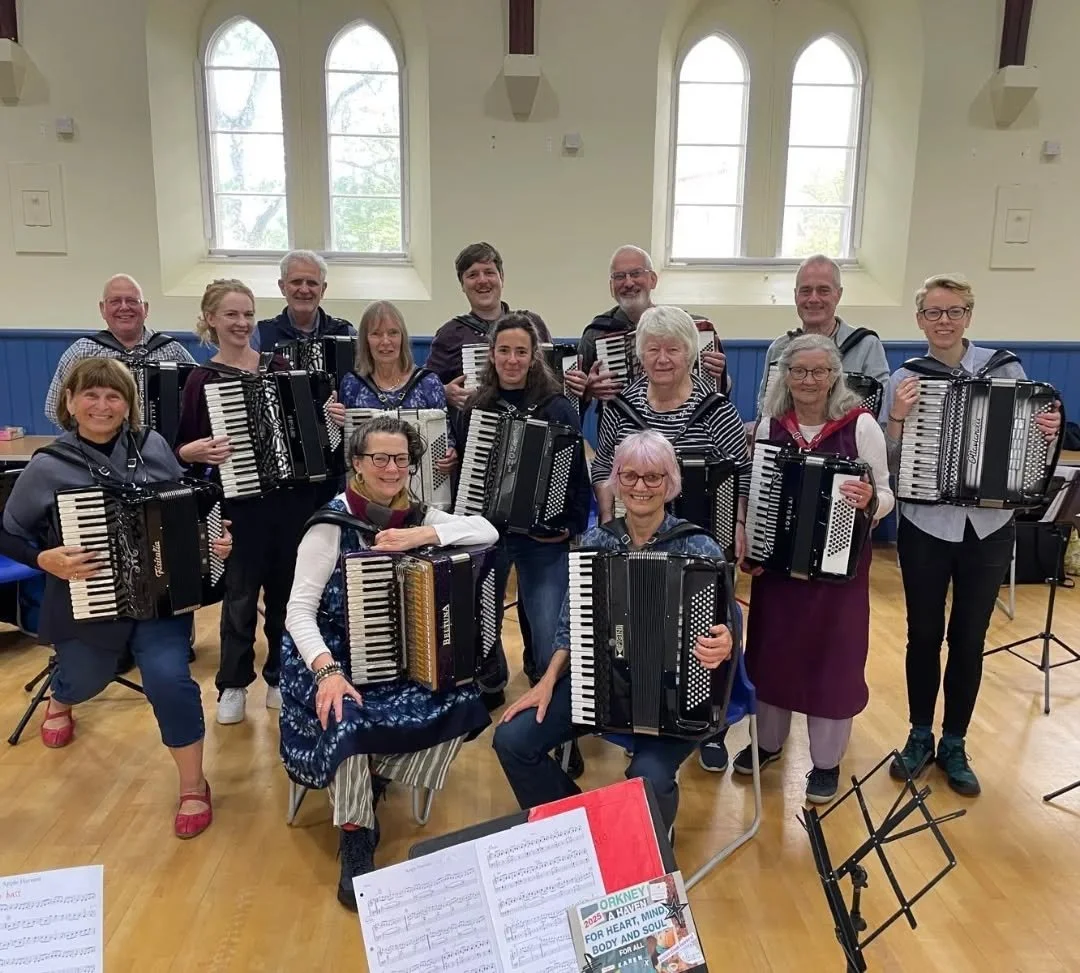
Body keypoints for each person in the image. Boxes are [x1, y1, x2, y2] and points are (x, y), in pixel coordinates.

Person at [0, 358, 233, 839]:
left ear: (128, 405)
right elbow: (9, 532)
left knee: (170, 680)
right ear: (69, 402)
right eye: (91, 395)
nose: (102, 405)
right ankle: (62, 698)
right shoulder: (48, 466)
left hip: (159, 602)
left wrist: (210, 540)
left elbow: (181, 512)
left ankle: (193, 785)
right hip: (87, 597)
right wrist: (44, 559)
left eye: (113, 396)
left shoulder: (152, 448)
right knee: (86, 679)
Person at [278, 415, 498, 910]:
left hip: (400, 658)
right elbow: (297, 612)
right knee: (346, 719)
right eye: (379, 458)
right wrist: (327, 672)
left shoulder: (419, 513)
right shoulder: (331, 524)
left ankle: (368, 774)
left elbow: (487, 531)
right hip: (329, 655)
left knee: (467, 700)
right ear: (357, 463)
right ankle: (357, 836)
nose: (391, 468)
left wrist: (421, 537)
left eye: (401, 458)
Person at [492, 430, 734, 832]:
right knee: (513, 740)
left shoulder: (699, 548)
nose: (641, 487)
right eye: (630, 476)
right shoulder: (596, 542)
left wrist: (724, 642)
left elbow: (726, 630)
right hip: (600, 686)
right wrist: (547, 680)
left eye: (653, 477)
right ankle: (576, 828)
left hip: (674, 701)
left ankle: (649, 842)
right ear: (617, 480)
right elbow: (570, 624)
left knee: (649, 779)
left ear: (670, 483)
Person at [885, 274, 1061, 796]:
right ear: (919, 319)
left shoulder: (1004, 367)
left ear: (969, 315)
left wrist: (1046, 430)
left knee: (970, 637)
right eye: (934, 312)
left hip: (989, 524)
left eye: (954, 311)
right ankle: (919, 733)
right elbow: (889, 462)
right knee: (923, 634)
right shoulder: (906, 376)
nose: (944, 321)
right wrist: (895, 418)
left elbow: (1030, 445)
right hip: (925, 523)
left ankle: (955, 741)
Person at [174, 279, 347, 726]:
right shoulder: (202, 379)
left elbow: (320, 442)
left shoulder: (278, 364)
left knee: (289, 594)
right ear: (211, 319)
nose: (242, 323)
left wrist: (330, 419)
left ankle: (278, 675)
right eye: (231, 314)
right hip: (240, 505)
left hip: (293, 499)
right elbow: (182, 450)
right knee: (240, 597)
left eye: (248, 314)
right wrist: (192, 452)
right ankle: (232, 683)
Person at [734, 334, 893, 804]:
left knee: (833, 662)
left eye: (818, 372)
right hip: (778, 570)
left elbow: (887, 493)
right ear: (784, 376)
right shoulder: (768, 425)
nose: (808, 380)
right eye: (798, 371)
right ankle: (767, 744)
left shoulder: (860, 426)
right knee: (771, 653)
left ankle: (826, 762)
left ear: (833, 376)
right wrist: (747, 530)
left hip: (839, 573)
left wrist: (870, 501)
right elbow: (752, 489)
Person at [458, 311, 592, 707]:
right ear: (492, 355)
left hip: (541, 540)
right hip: (490, 536)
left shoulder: (557, 407)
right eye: (504, 351)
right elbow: (468, 472)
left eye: (521, 351)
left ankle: (552, 704)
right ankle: (491, 680)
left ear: (534, 356)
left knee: (551, 626)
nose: (512, 360)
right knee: (481, 616)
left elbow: (576, 479)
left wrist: (567, 527)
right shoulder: (477, 407)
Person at [565, 245, 729, 408]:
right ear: (611, 287)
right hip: (619, 427)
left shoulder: (688, 328)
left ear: (653, 280)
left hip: (683, 425)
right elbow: (573, 403)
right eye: (619, 276)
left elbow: (719, 393)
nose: (628, 283)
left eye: (636, 274)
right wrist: (587, 392)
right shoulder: (597, 332)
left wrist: (720, 376)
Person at [44, 274, 195, 428]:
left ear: (146, 308)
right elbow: (53, 409)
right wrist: (89, 436)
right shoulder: (81, 352)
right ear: (103, 309)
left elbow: (199, 403)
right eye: (115, 301)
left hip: (162, 448)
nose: (124, 307)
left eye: (132, 301)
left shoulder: (173, 350)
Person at [754, 254, 890, 417]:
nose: (813, 299)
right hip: (789, 442)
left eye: (823, 290)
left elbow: (882, 411)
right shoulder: (779, 349)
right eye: (805, 291)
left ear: (838, 295)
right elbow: (766, 410)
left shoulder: (866, 346)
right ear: (795, 295)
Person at [426, 242, 551, 410]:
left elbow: (554, 381)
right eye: (472, 275)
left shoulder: (533, 324)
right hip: (477, 430)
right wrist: (444, 392)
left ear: (502, 278)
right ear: (462, 285)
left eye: (489, 272)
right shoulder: (450, 334)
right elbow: (425, 388)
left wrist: (579, 385)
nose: (482, 281)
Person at [338, 299, 458, 470]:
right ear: (365, 340)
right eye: (376, 334)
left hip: (422, 491)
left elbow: (447, 439)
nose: (385, 341)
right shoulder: (352, 384)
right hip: (368, 490)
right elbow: (346, 447)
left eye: (393, 333)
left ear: (402, 338)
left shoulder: (428, 382)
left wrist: (450, 454)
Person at [254, 250, 356, 352]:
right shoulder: (260, 335)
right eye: (296, 282)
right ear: (282, 287)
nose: (304, 290)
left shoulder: (346, 333)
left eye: (312, 283)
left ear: (323, 289)